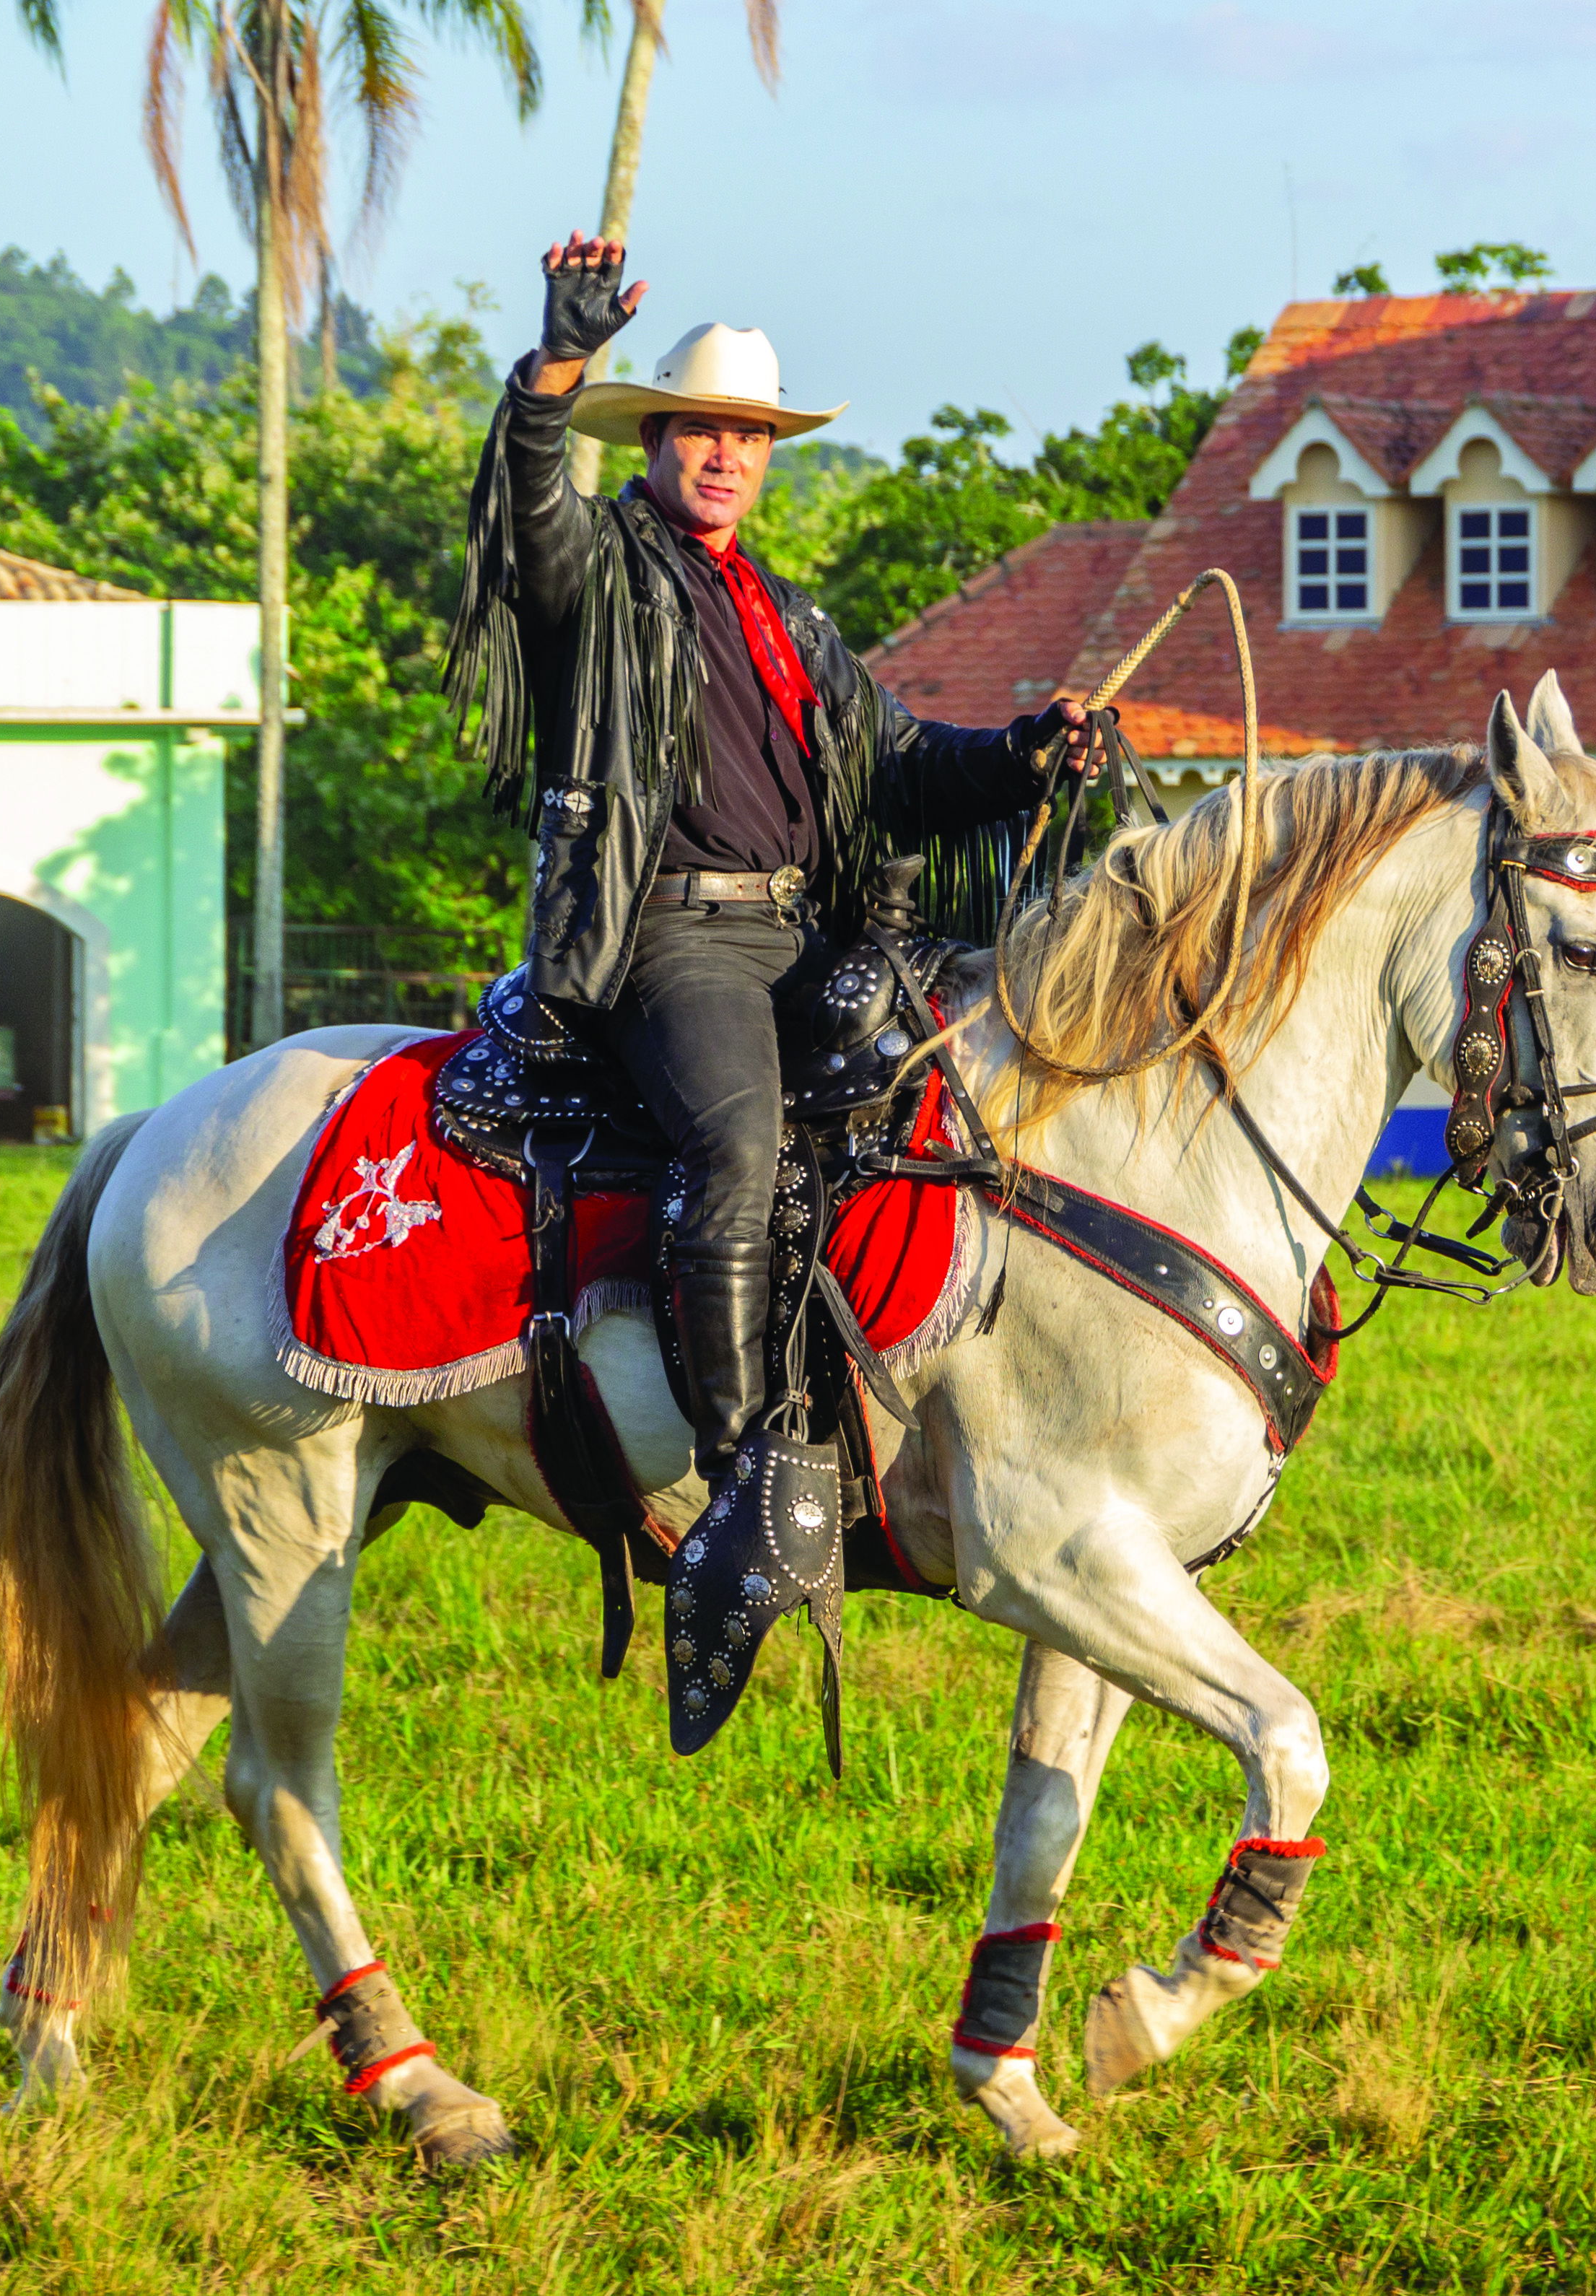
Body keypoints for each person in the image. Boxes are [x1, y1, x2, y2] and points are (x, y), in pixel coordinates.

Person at [450, 235, 1102, 1750]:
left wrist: (1022, 751)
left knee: (949, 1099)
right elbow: (522, 515)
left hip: (801, 931)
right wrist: (557, 362)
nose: (727, 456)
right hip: (663, 938)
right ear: (656, 443)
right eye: (701, 431)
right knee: (736, 1149)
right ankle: (744, 1478)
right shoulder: (601, 572)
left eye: (748, 436)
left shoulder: (788, 619)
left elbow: (899, 767)